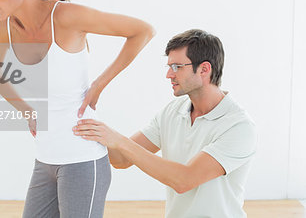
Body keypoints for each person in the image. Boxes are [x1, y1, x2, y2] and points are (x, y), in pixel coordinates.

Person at [0, 0, 155, 218]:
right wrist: (25, 109)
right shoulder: (4, 28)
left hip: (82, 159)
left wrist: (99, 84)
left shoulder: (67, 17)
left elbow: (142, 31)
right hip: (45, 160)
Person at [73, 29, 257, 218]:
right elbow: (122, 159)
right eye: (169, 67)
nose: (169, 74)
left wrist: (118, 140)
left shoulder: (238, 127)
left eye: (177, 67)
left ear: (204, 69)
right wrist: (81, 129)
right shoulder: (173, 111)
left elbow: (184, 180)